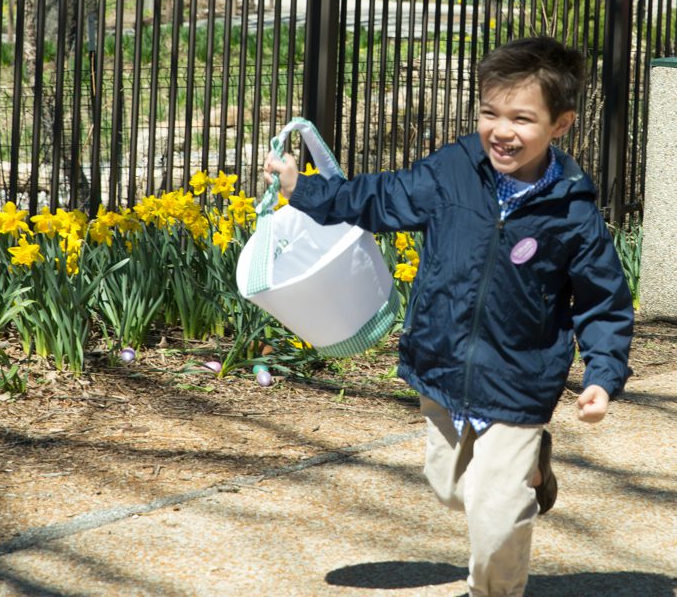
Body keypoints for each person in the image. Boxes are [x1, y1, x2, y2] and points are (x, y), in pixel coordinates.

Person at [262, 35, 633, 596]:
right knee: (448, 485)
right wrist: (305, 190)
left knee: (495, 515)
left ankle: (494, 588)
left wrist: (603, 375)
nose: (501, 130)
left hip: (519, 379)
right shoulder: (453, 170)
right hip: (441, 365)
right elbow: (381, 199)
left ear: (561, 125)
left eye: (522, 118)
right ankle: (533, 468)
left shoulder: (572, 213)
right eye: (489, 112)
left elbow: (603, 299)